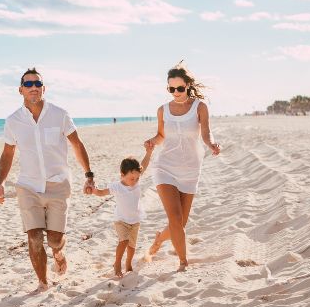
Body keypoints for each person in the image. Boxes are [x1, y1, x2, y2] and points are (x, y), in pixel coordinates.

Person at [0, 68, 95, 293]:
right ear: (20, 90)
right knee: (34, 237)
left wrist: (88, 175)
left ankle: (58, 253)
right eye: (28, 84)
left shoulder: (60, 114)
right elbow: (8, 153)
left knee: (54, 239)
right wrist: (1, 182)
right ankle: (43, 283)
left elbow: (77, 145)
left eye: (37, 84)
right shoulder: (13, 120)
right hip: (28, 185)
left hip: (58, 184)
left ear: (43, 88)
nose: (33, 88)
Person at [144, 64, 220, 272]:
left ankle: (159, 239)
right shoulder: (163, 110)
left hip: (190, 169)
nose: (176, 93)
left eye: (180, 88)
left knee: (181, 223)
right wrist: (151, 141)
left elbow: (206, 133)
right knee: (175, 219)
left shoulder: (200, 107)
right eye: (171, 89)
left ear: (187, 86)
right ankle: (183, 263)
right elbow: (161, 136)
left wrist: (212, 144)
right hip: (165, 167)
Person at [88, 145, 153, 277]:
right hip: (121, 220)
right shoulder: (117, 187)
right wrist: (94, 190)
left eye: (137, 178)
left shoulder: (136, 179)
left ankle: (128, 263)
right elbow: (101, 193)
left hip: (135, 220)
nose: (134, 181)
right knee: (123, 241)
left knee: (132, 246)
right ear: (122, 175)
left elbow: (144, 165)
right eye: (131, 179)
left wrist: (149, 152)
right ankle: (117, 263)